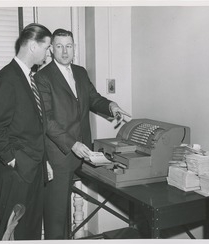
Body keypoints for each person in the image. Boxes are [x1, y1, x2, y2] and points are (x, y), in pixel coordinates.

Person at [34, 28, 130, 239]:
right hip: (60, 156)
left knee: (69, 214)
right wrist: (72, 144)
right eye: (59, 46)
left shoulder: (80, 72)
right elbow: (47, 120)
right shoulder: (42, 77)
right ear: (51, 49)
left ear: (74, 48)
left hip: (84, 153)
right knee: (56, 217)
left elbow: (94, 99)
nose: (64, 51)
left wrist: (111, 105)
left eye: (68, 46)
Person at [0, 23, 53, 240]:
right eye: (47, 47)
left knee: (29, 231)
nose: (48, 53)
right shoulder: (7, 79)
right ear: (33, 46)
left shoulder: (28, 77)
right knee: (12, 232)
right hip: (16, 173)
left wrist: (43, 162)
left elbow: (32, 127)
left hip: (33, 168)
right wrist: (16, 161)